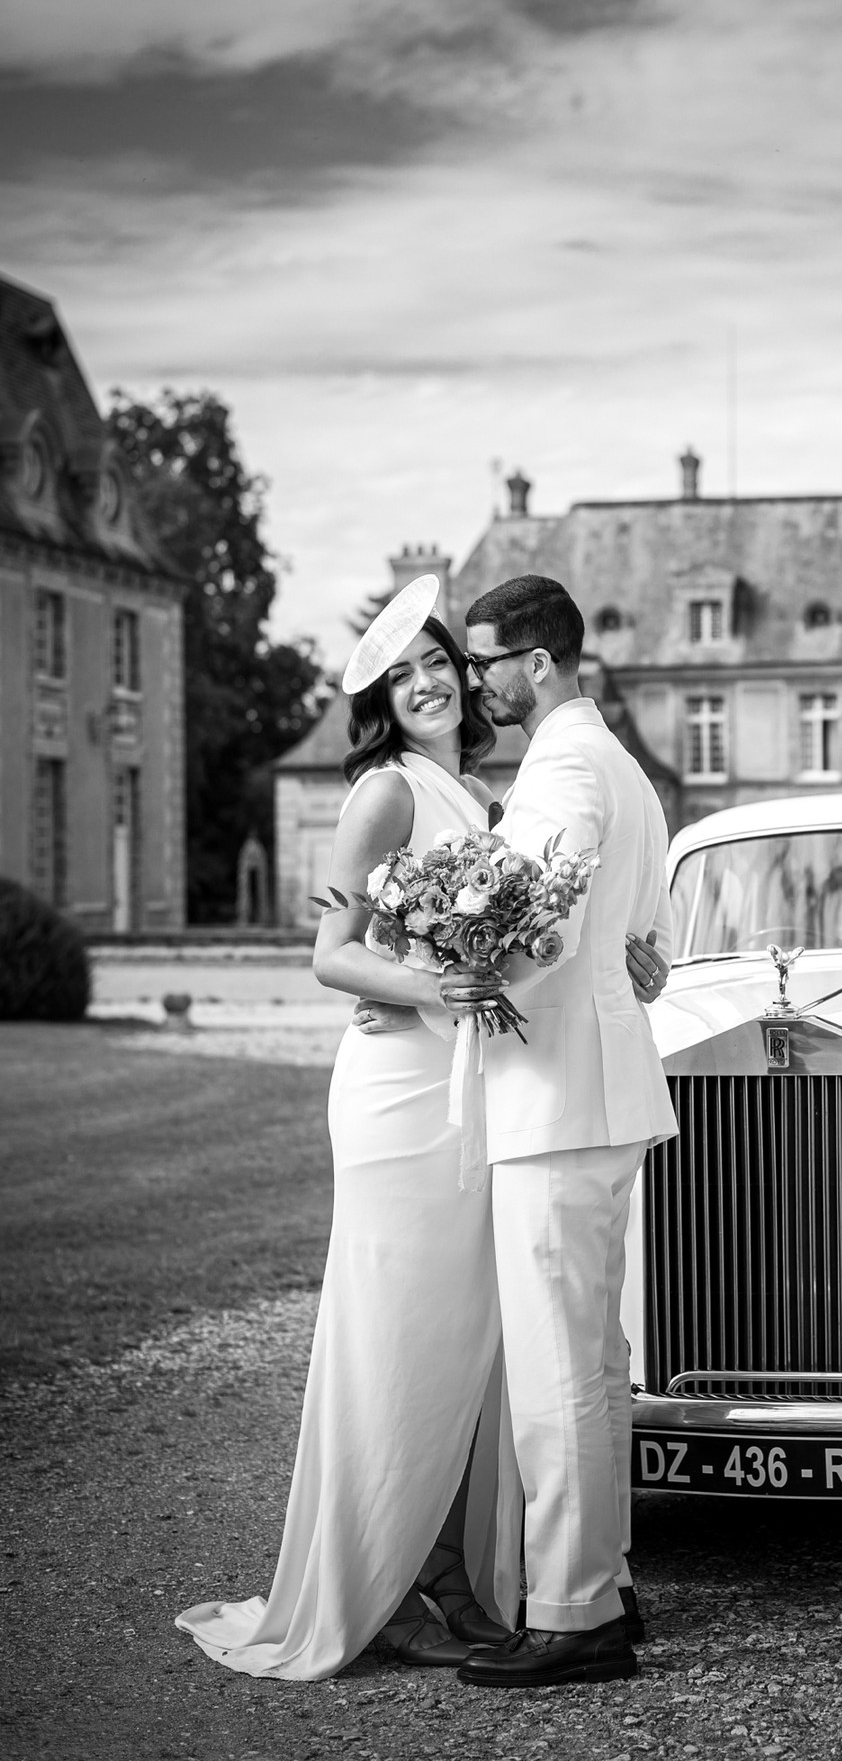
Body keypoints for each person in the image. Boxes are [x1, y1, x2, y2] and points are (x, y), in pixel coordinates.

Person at [175, 579, 666, 1680]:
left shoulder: (499, 788)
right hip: (408, 1087)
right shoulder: (389, 794)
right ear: (383, 705)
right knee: (402, 1332)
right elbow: (330, 954)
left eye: (444, 661)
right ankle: (387, 1582)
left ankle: (450, 1573)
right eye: (407, 676)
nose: (438, 681)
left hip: (484, 1086)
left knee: (481, 1351)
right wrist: (432, 986)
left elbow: (573, 927)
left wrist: (615, 963)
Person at [449, 575, 679, 1690]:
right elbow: (653, 946)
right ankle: (609, 1581)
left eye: (485, 659)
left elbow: (540, 916)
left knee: (558, 1365)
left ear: (536, 663)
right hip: (606, 1091)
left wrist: (458, 964)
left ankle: (574, 1611)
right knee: (593, 1354)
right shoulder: (626, 767)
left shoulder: (564, 764)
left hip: (556, 1096)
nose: (474, 679)